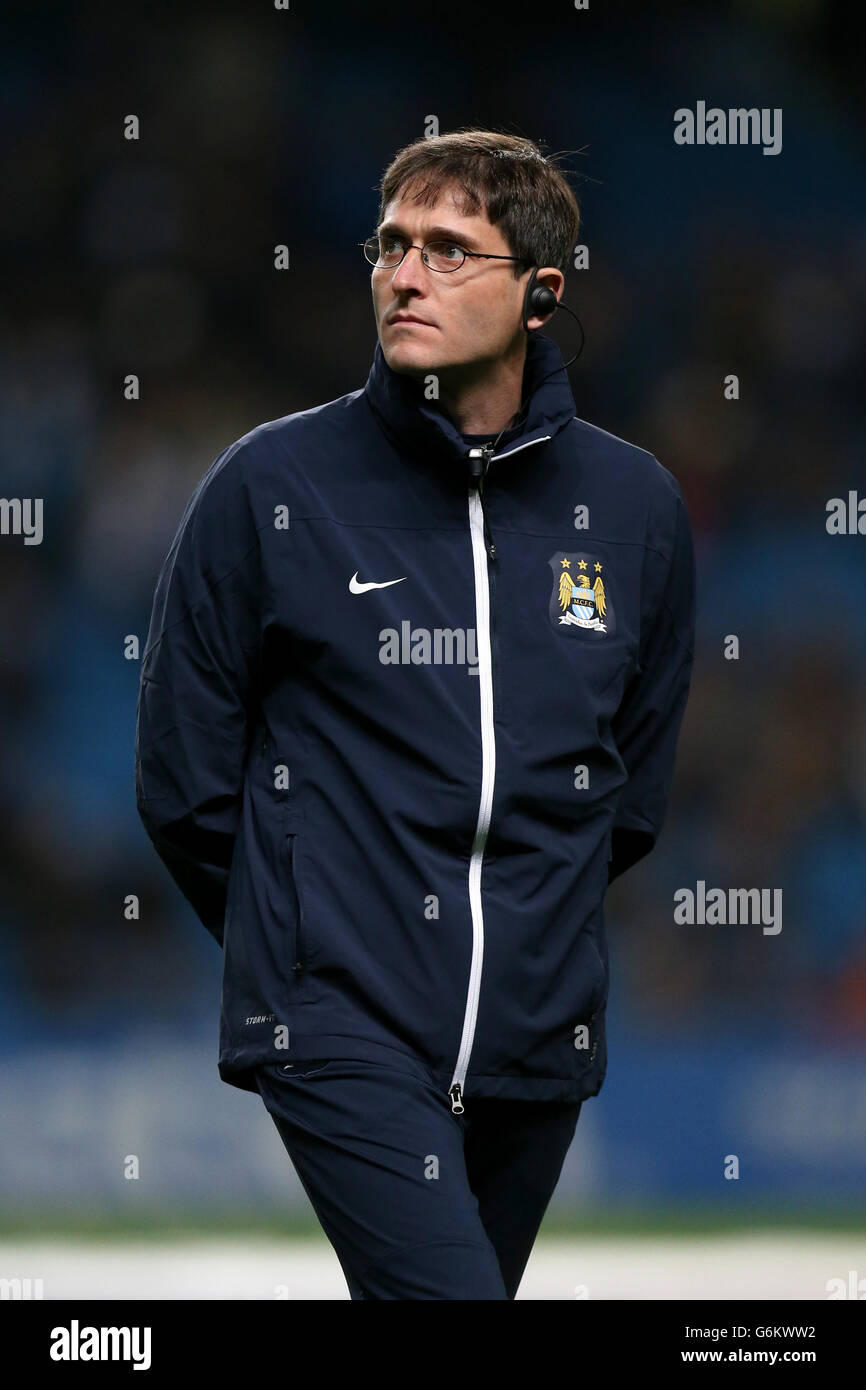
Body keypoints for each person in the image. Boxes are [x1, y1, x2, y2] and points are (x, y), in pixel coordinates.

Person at [134, 128, 696, 1299]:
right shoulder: (271, 486)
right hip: (339, 1020)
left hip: (535, 1037)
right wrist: (307, 941)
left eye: (449, 250)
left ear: (539, 294)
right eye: (390, 246)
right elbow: (185, 779)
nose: (402, 274)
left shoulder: (634, 507)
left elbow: (627, 794)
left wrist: (528, 932)